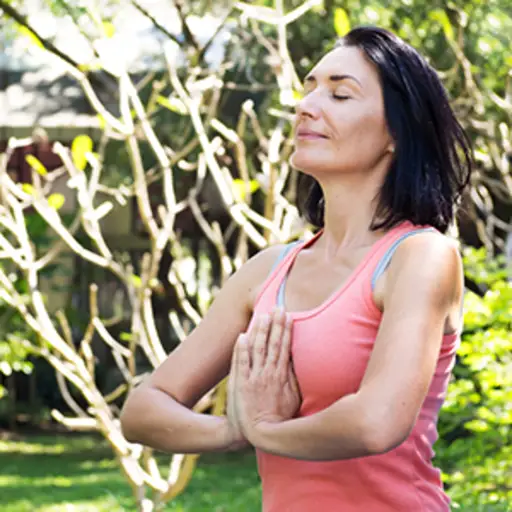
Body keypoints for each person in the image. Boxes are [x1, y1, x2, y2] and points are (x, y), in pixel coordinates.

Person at [120, 26, 472, 511]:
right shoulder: (267, 271)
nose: (307, 105)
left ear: (397, 132)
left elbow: (377, 421)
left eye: (340, 93)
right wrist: (235, 429)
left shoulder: (420, 257)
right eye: (309, 88)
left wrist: (268, 429)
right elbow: (142, 409)